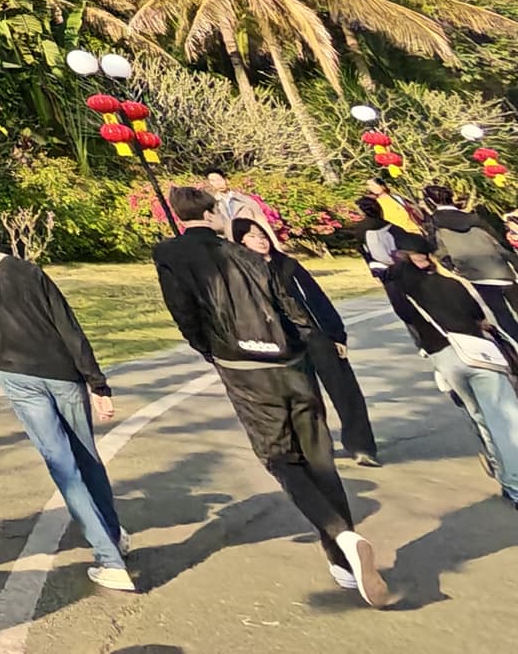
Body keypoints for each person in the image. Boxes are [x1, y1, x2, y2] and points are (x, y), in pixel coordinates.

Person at [154, 185, 388, 604]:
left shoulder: (171, 255)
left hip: (243, 369)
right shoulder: (244, 255)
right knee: (318, 456)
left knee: (279, 456)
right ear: (209, 215)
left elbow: (184, 312)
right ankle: (342, 558)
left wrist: (209, 350)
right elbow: (288, 306)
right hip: (290, 363)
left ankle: (341, 536)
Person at [0, 211, 136, 592]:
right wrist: (97, 382)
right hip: (64, 372)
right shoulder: (30, 270)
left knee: (62, 464)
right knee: (87, 457)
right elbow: (68, 325)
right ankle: (113, 537)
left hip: (17, 374)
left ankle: (109, 559)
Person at [380, 231, 518, 504]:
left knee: (479, 416)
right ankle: (514, 481)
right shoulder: (451, 284)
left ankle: (503, 473)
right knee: (504, 417)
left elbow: (406, 315)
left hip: (444, 358)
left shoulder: (401, 292)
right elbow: (478, 317)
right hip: (477, 352)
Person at [232, 216, 377, 464]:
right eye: (253, 237)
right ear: (241, 242)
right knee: (306, 399)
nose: (261, 240)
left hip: (315, 335)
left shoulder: (288, 265)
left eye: (262, 235)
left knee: (345, 391)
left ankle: (361, 446)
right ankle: (318, 450)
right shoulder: (244, 274)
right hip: (283, 344)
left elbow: (317, 299)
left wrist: (336, 334)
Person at [416, 183, 518, 349]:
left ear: (430, 201)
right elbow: (500, 243)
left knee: (502, 314)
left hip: (476, 275)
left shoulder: (435, 225)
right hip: (500, 269)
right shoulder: (475, 218)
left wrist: (452, 267)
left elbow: (439, 251)